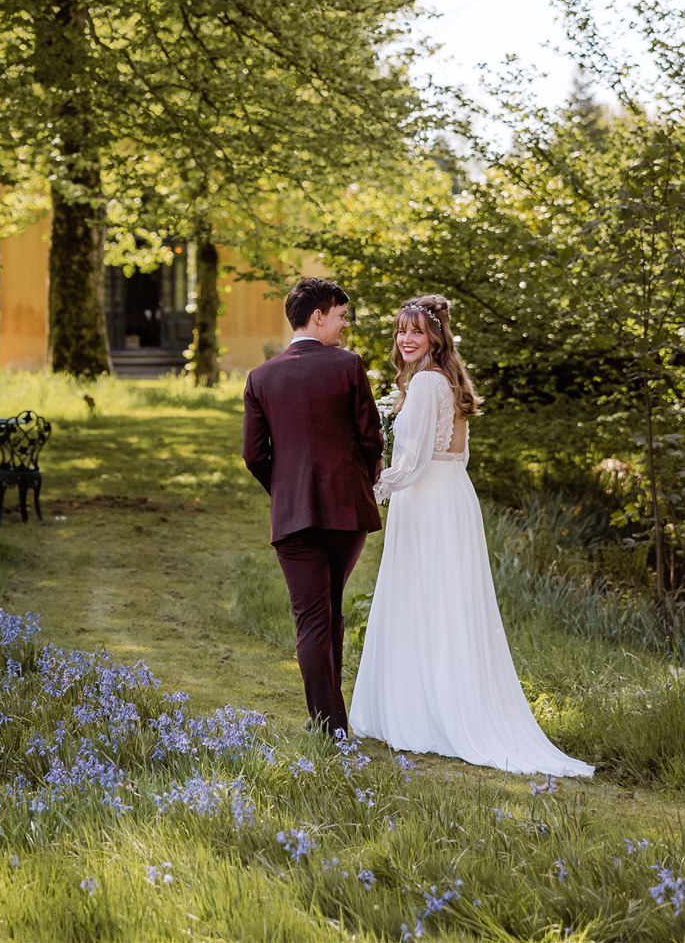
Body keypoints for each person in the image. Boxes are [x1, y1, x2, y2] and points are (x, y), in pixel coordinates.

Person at [349, 294, 594, 777]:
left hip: (426, 500)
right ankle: (443, 703)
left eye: (416, 331)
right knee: (450, 604)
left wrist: (372, 488)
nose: (406, 339)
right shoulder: (450, 380)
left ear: (435, 336)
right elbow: (455, 457)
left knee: (424, 600)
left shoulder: (424, 385)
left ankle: (425, 714)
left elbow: (413, 461)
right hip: (454, 496)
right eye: (401, 331)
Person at [241, 277, 385, 736]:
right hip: (347, 512)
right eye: (341, 316)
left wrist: (284, 489)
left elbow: (254, 454)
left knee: (313, 616)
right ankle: (331, 721)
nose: (346, 325)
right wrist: (357, 480)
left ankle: (327, 722)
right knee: (331, 609)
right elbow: (370, 439)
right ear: (318, 316)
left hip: (293, 516)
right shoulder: (348, 367)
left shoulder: (260, 377)